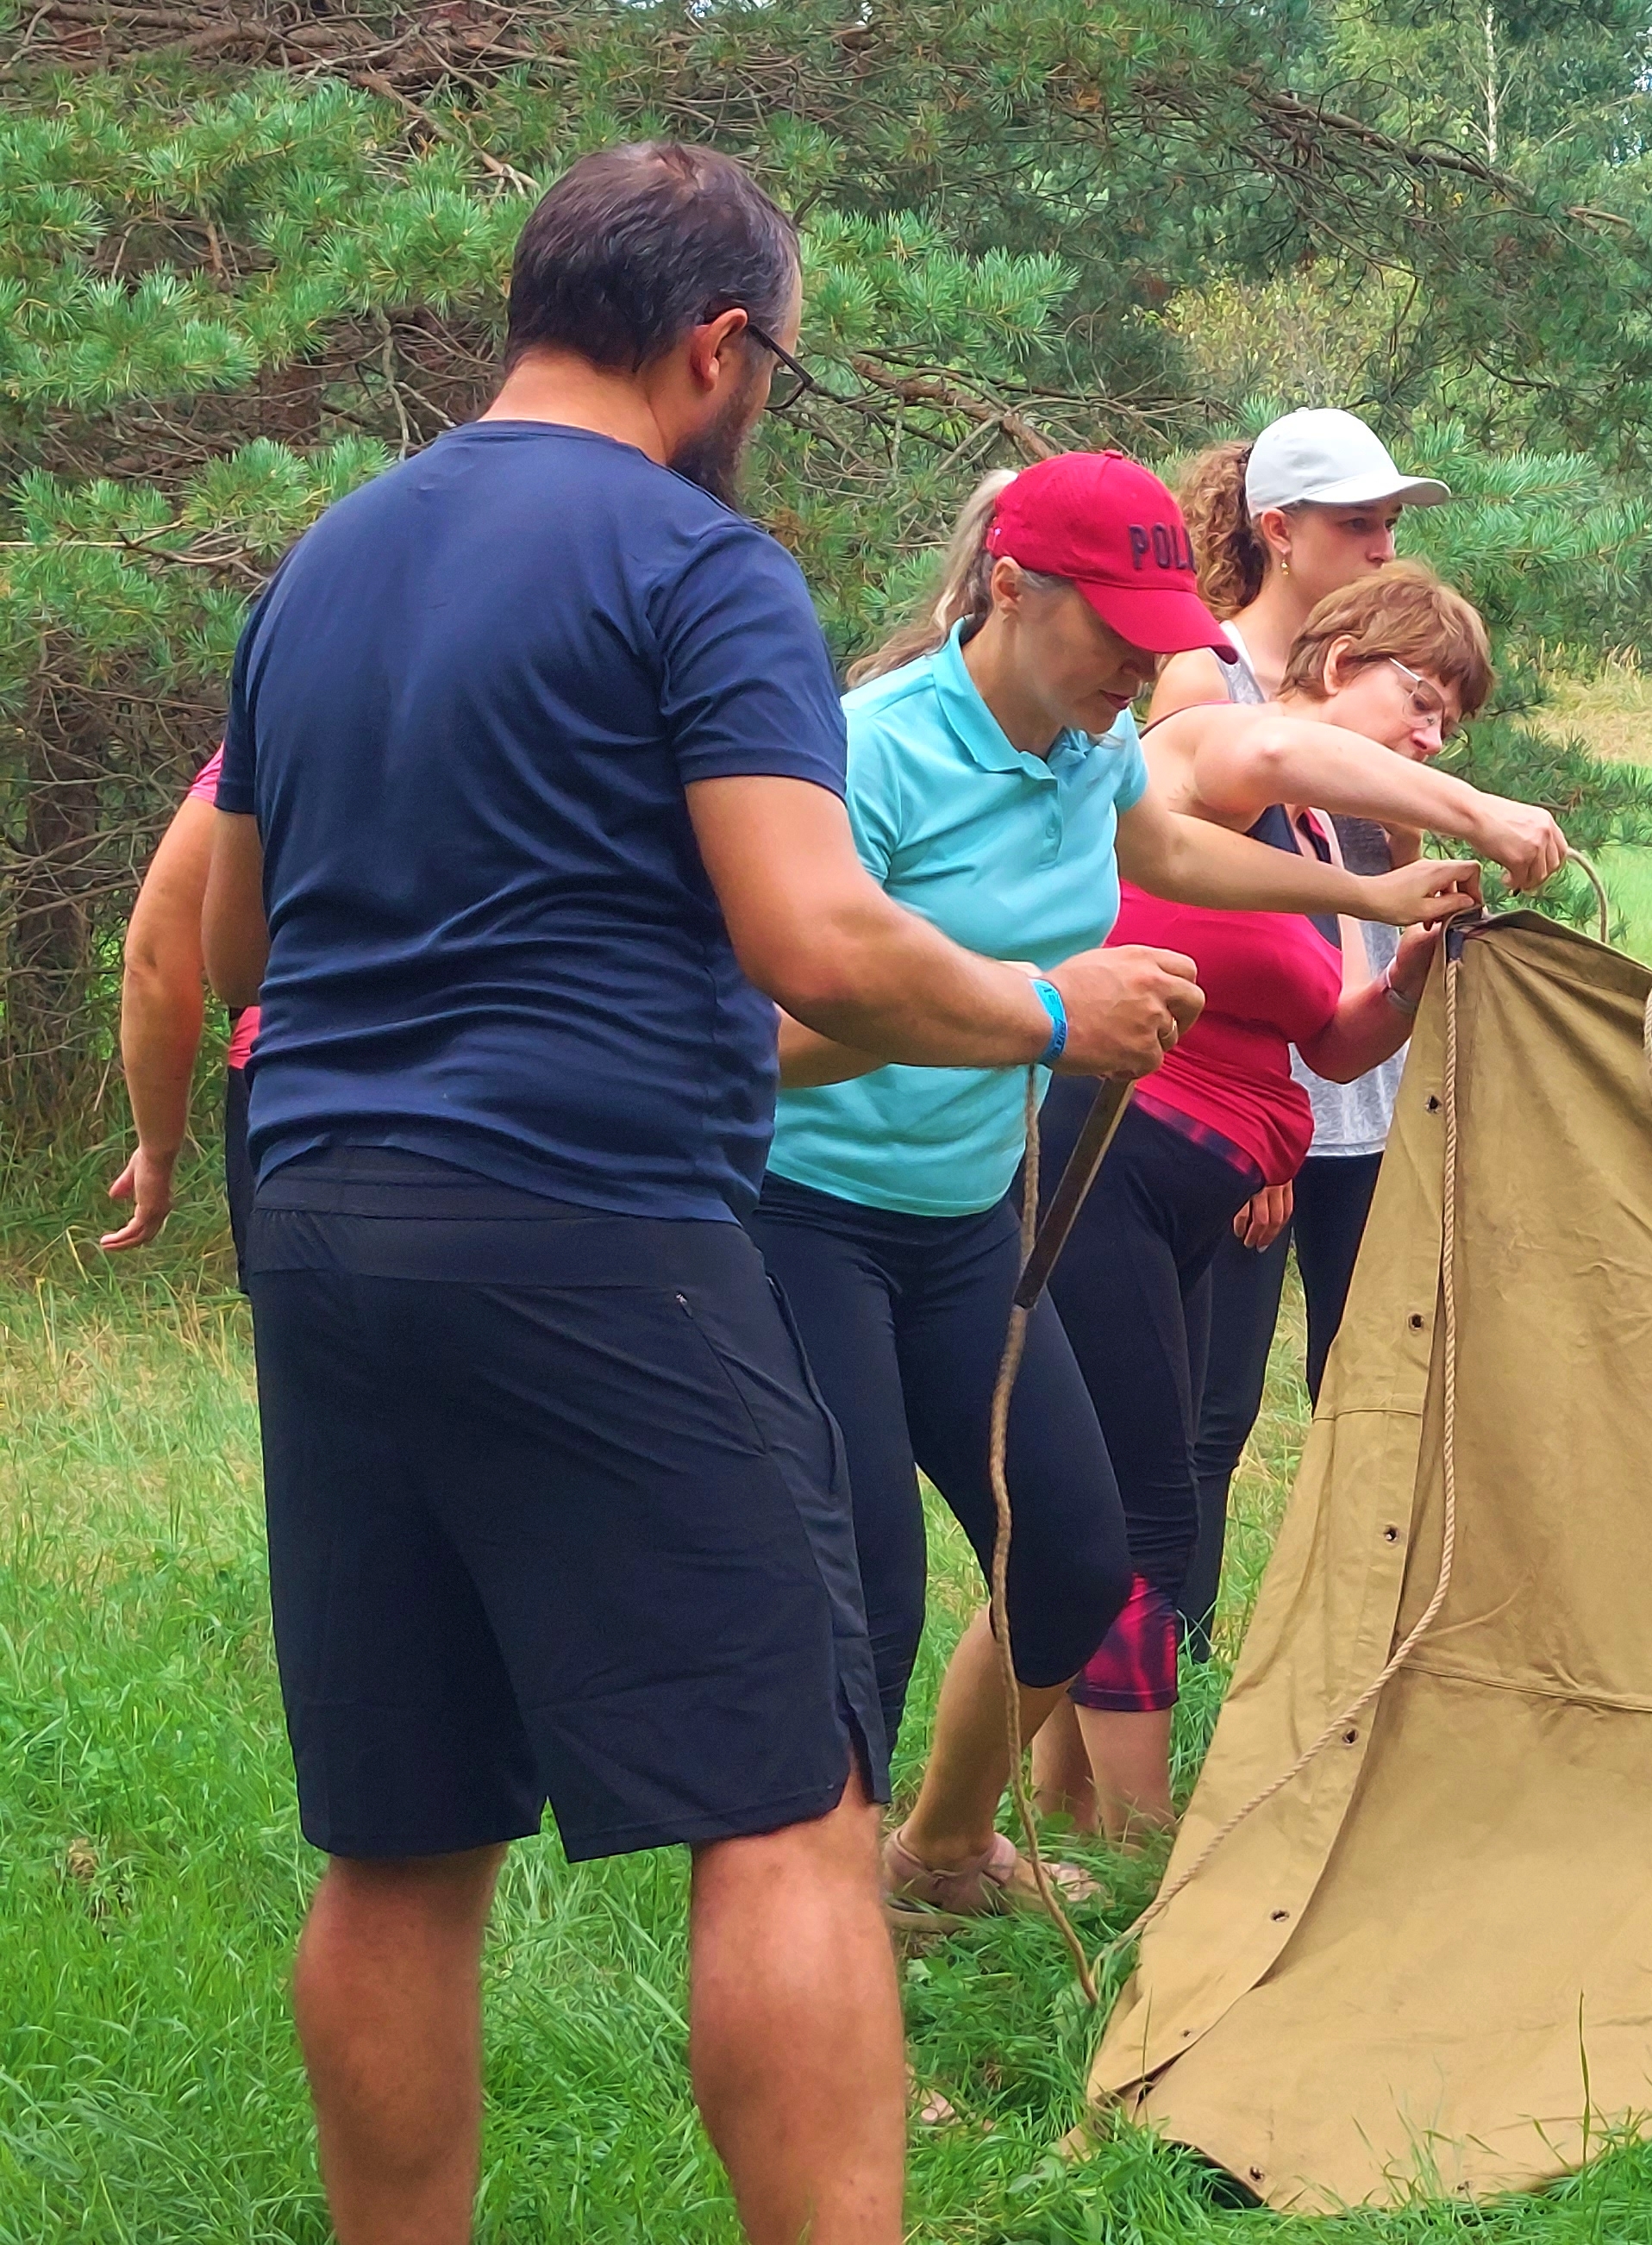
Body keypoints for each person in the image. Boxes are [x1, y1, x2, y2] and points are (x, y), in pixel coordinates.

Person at [203, 143, 1201, 2244]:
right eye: (783, 365)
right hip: (591, 1230)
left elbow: (230, 944)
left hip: (317, 1221)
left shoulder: (329, 556)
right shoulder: (694, 563)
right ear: (718, 345)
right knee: (779, 1810)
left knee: (397, 1841)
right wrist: (1044, 1007)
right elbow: (817, 943)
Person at [751, 455, 1489, 1929]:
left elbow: (1166, 848)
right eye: (1117, 630)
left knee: (1080, 1557)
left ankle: (941, 1855)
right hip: (807, 1214)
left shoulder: (1089, 753)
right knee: (868, 1611)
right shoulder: (867, 751)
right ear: (1012, 590)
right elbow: (758, 1041)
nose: (1145, 664)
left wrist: (1372, 899)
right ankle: (833, 1980)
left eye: (1164, 631)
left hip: (968, 1220)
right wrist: (1040, 1010)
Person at [1029, 561, 1498, 1839]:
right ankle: (1133, 1843)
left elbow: (1334, 1045)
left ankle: (1052, 1818)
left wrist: (1400, 974)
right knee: (1146, 1507)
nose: (1431, 732)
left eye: (1454, 721)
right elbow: (1280, 745)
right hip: (1108, 1160)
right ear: (1339, 664)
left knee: (1108, 1500)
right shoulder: (1228, 748)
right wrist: (1481, 813)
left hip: (1182, 1197)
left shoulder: (1307, 841)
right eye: (1421, 697)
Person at [1150, 408, 1467, 1635]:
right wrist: (1255, 1118)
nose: (1385, 548)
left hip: (1364, 1100)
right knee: (1208, 1417)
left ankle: (1343, 1658)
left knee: (1370, 1392)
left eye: (1393, 524)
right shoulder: (1202, 674)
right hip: (1254, 1110)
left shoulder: (1391, 684)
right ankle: (1158, 1673)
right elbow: (1183, 906)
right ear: (1278, 532)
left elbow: (1383, 906)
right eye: (1357, 525)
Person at [103, 749, 260, 1254]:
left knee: (311, 1328)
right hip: (497, 1073)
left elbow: (155, 960)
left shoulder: (275, 707)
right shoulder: (512, 686)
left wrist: (158, 1150)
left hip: (294, 1080)